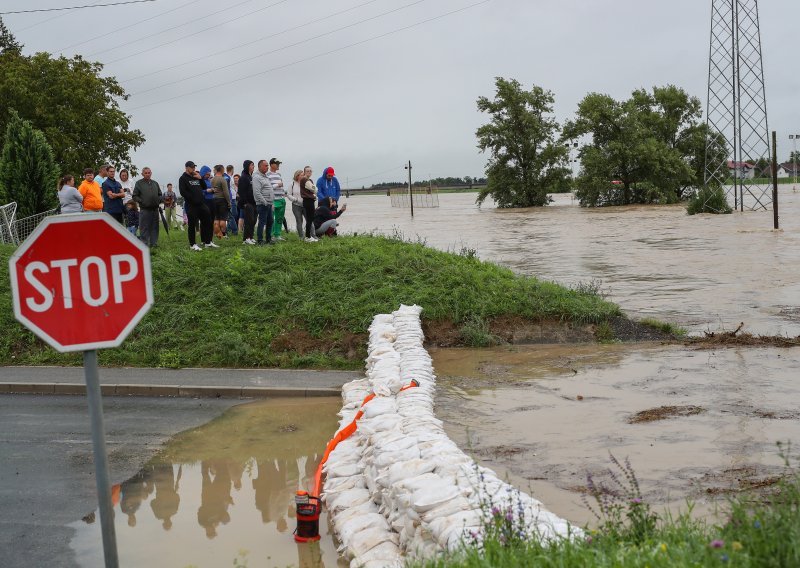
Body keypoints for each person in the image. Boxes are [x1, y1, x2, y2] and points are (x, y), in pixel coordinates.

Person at [179, 161, 216, 251]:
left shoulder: (196, 176)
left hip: (201, 204)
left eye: (194, 167)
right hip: (191, 205)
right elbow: (183, 192)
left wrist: (200, 178)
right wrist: (192, 199)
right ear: (187, 167)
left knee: (207, 221)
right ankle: (193, 244)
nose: (193, 169)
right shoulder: (183, 178)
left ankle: (207, 242)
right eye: (192, 167)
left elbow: (203, 187)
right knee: (192, 225)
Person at [133, 166, 162, 248]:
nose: (147, 174)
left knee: (155, 227)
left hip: (155, 209)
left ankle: (154, 243)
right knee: (144, 227)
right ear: (142, 174)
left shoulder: (155, 183)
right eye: (145, 173)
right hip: (145, 210)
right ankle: (144, 244)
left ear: (151, 173)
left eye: (149, 173)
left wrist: (159, 200)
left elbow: (160, 194)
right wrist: (142, 201)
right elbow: (134, 196)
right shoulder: (139, 183)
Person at [252, 159, 274, 245]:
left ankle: (268, 239)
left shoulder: (265, 176)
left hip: (269, 204)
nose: (267, 167)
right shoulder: (257, 177)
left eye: (267, 165)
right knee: (262, 222)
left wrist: (271, 202)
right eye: (266, 165)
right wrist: (264, 202)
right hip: (262, 204)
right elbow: (257, 192)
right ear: (260, 166)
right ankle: (260, 240)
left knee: (270, 221)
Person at [238, 160, 256, 245]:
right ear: (247, 166)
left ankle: (251, 237)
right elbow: (241, 191)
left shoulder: (250, 176)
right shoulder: (243, 177)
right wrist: (245, 203)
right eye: (252, 165)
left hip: (253, 202)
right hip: (247, 203)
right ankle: (246, 239)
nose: (253, 167)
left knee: (253, 220)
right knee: (248, 220)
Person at [267, 158, 286, 241]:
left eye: (279, 163)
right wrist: (277, 185)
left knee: (279, 218)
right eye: (277, 163)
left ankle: (277, 235)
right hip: (273, 200)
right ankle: (270, 236)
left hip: (281, 199)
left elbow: (281, 187)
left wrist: (284, 194)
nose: (278, 165)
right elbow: (267, 188)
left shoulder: (279, 175)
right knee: (271, 218)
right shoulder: (267, 175)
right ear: (271, 164)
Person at [298, 166, 318, 242]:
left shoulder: (309, 180)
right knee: (309, 219)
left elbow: (313, 190)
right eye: (307, 171)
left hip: (309, 200)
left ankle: (308, 236)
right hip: (308, 201)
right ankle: (308, 237)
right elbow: (314, 189)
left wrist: (314, 190)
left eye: (310, 171)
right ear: (305, 172)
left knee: (310, 218)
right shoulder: (305, 179)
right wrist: (314, 189)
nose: (309, 172)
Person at [211, 164, 231, 239]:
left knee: (216, 219)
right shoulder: (223, 179)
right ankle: (223, 234)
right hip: (222, 200)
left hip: (214, 199)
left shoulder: (212, 179)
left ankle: (217, 234)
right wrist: (229, 202)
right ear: (222, 170)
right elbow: (226, 192)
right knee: (223, 219)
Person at [287, 170, 305, 238]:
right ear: (297, 176)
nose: (303, 176)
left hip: (305, 205)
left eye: (303, 175)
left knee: (309, 220)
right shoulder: (292, 184)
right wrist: (296, 199)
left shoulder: (305, 183)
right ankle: (301, 237)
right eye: (302, 175)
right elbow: (288, 195)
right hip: (296, 205)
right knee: (299, 220)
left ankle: (311, 235)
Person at [227, 167, 239, 236]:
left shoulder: (230, 178)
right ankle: (234, 230)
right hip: (232, 199)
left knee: (233, 214)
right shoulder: (229, 178)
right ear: (232, 170)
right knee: (232, 215)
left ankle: (228, 228)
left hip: (233, 198)